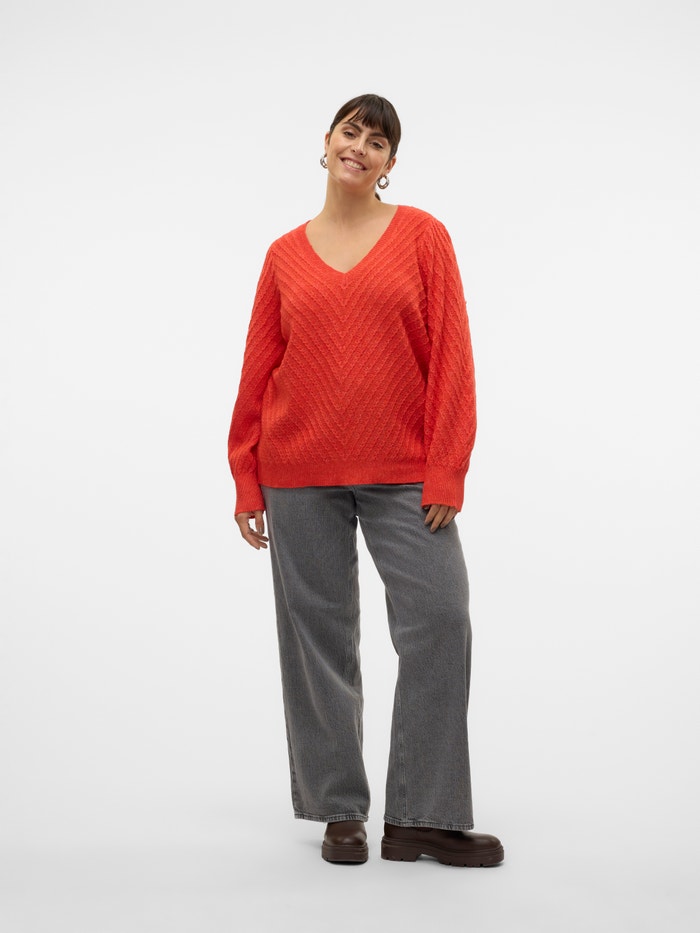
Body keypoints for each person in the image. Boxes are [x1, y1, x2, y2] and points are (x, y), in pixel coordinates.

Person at [227, 93, 503, 867]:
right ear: (325, 143)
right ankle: (339, 809)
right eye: (351, 131)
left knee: (440, 617)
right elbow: (258, 367)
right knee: (317, 637)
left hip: (404, 471)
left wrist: (446, 467)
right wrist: (246, 474)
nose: (360, 146)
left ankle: (423, 813)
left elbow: (452, 354)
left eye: (377, 140)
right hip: (298, 470)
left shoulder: (422, 236)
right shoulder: (284, 255)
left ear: (389, 163)